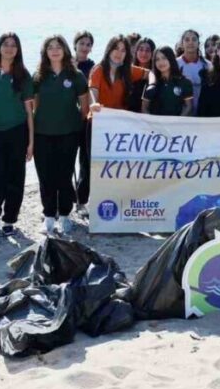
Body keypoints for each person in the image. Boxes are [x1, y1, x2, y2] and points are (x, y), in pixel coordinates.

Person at [33, 35, 90, 235]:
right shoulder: (38, 76)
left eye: (58, 47)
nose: (55, 50)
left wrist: (77, 128)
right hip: (42, 134)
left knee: (64, 176)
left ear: (65, 50)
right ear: (45, 52)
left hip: (68, 133)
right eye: (50, 47)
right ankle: (49, 216)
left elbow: (85, 109)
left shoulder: (76, 76)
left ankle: (65, 216)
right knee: (46, 176)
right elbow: (35, 107)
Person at [0, 33, 35, 236]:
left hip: (17, 132)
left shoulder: (23, 76)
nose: (9, 48)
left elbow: (29, 112)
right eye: (5, 44)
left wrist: (31, 142)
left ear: (18, 49)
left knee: (15, 178)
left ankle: (9, 219)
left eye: (13, 45)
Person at [87, 35, 147, 212]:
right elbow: (92, 91)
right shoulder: (98, 69)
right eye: (116, 49)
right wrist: (94, 103)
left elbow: (149, 73)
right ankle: (94, 202)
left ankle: (117, 202)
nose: (119, 53)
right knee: (96, 166)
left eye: (123, 50)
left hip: (119, 126)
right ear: (109, 50)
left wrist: (151, 86)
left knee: (117, 166)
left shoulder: (128, 70)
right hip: (98, 123)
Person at [72, 30, 94, 213]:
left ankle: (81, 200)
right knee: (65, 162)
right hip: (67, 120)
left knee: (85, 162)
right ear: (75, 45)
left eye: (88, 44)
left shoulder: (93, 67)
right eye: (82, 43)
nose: (85, 47)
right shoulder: (65, 64)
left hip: (86, 121)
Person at [142, 46, 194, 116]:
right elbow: (144, 107)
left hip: (176, 125)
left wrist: (177, 122)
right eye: (157, 59)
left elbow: (188, 107)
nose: (161, 62)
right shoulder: (151, 82)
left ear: (171, 58)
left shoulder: (185, 82)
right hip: (154, 125)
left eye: (164, 58)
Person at [177, 29, 209, 110]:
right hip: (182, 113)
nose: (190, 42)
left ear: (198, 43)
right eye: (187, 40)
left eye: (194, 39)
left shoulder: (207, 65)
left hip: (203, 111)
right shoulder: (175, 64)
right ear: (182, 44)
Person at [127, 37, 156, 113]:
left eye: (148, 50)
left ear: (153, 53)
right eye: (141, 49)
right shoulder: (128, 71)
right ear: (136, 52)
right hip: (128, 117)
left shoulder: (157, 74)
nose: (144, 53)